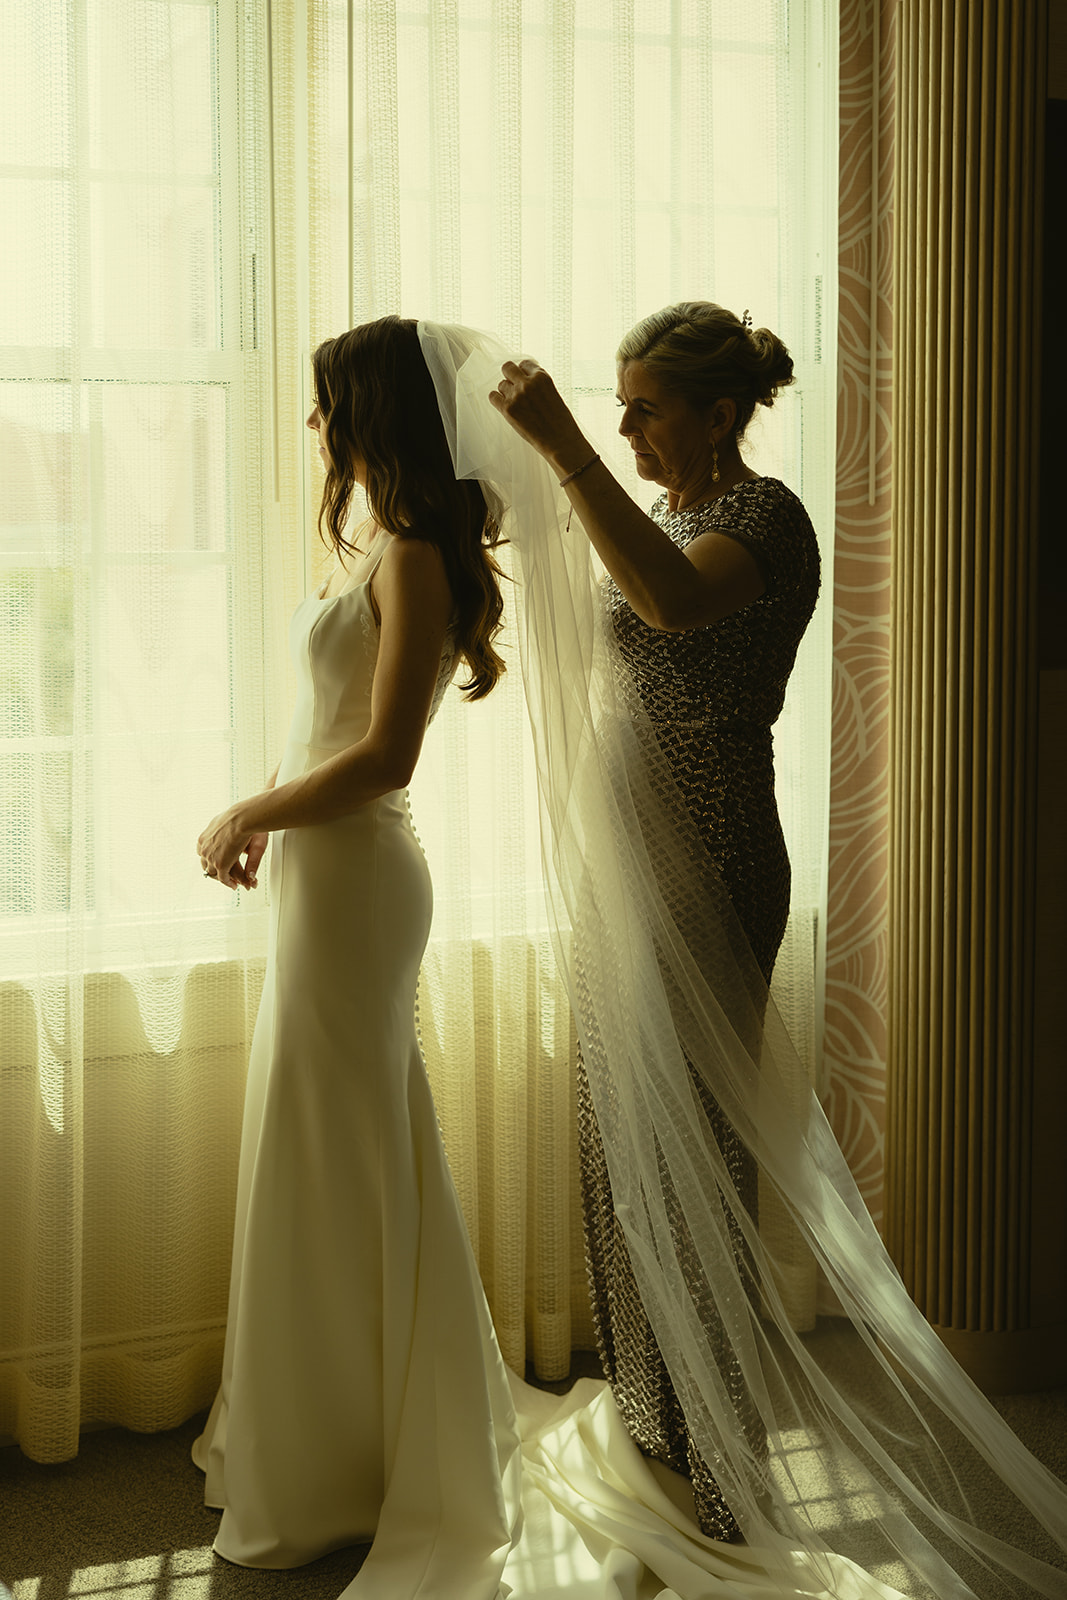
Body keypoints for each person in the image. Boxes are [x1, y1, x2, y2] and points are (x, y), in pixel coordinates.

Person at [192, 315, 522, 1600]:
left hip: (364, 884)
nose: (314, 425)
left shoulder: (418, 559)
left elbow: (385, 755)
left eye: (327, 405)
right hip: (321, 883)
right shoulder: (384, 547)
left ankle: (348, 1460)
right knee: (320, 1146)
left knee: (339, 1147)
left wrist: (245, 816)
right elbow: (317, 723)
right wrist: (262, 811)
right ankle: (324, 1436)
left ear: (374, 414)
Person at [490, 300, 819, 1541]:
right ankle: (656, 1426)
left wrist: (568, 452)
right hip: (625, 874)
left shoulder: (757, 519)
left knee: (695, 1172)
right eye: (615, 404)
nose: (623, 423)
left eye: (643, 406)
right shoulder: (669, 514)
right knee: (622, 1145)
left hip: (712, 858)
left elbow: (672, 606)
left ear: (722, 412)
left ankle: (729, 1467)